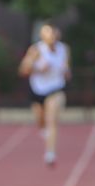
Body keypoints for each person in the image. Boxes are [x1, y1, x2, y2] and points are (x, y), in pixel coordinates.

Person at [18, 21, 71, 166]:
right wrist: (38, 70)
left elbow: (67, 70)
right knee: (41, 121)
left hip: (56, 89)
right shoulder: (36, 50)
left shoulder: (64, 49)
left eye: (54, 32)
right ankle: (43, 129)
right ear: (42, 35)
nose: (52, 35)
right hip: (38, 90)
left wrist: (66, 72)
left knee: (51, 120)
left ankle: (50, 153)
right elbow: (23, 70)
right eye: (48, 32)